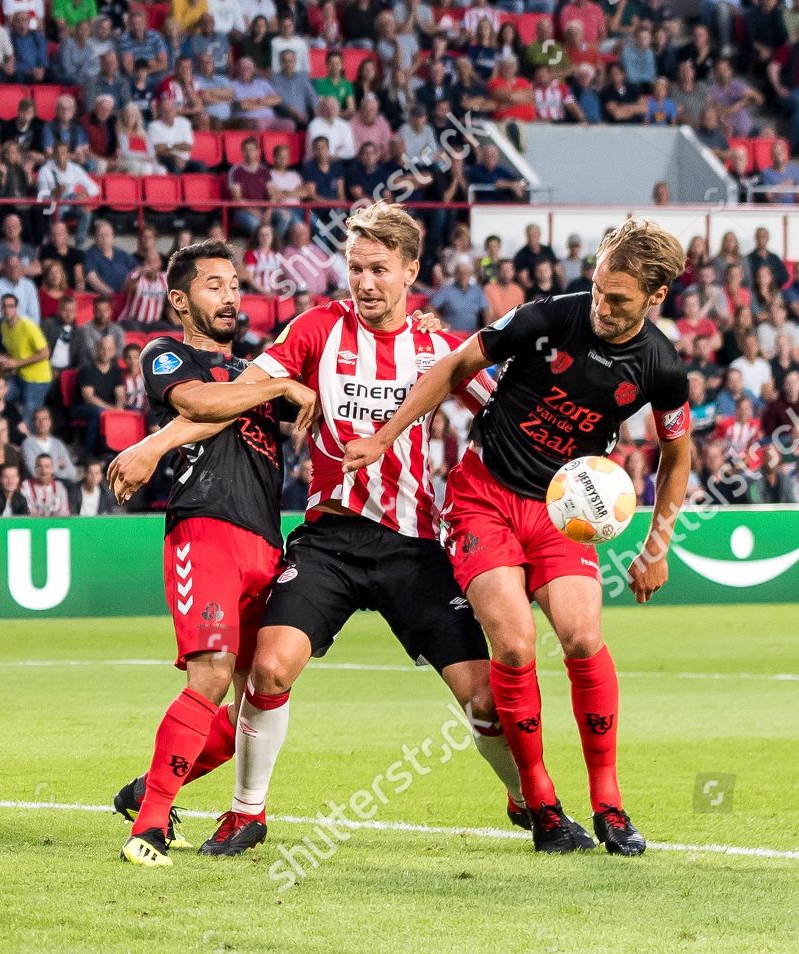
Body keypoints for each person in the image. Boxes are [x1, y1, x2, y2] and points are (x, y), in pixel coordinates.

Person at [110, 205, 525, 859]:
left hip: (370, 542)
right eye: (356, 268)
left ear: (410, 271)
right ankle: (204, 818)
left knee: (472, 699)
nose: (365, 281)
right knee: (245, 673)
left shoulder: (426, 348)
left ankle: (529, 799)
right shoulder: (267, 340)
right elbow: (214, 402)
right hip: (278, 534)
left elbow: (500, 406)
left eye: (379, 269)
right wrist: (156, 444)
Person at [344, 218, 694, 855]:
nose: (602, 305)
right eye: (597, 288)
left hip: (563, 513)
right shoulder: (548, 318)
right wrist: (385, 435)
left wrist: (658, 544)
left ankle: (610, 803)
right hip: (484, 499)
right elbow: (457, 364)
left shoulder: (661, 367)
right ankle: (541, 805)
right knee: (513, 645)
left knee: (583, 638)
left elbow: (677, 456)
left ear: (656, 295)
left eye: (618, 299)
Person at [96, 239, 315, 867]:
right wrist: (280, 385)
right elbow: (199, 404)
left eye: (235, 285)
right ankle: (149, 828)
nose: (229, 296)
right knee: (212, 675)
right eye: (214, 285)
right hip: (206, 527)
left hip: (267, 540)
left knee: (258, 698)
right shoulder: (167, 354)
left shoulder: (257, 368)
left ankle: (151, 787)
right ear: (179, 299)